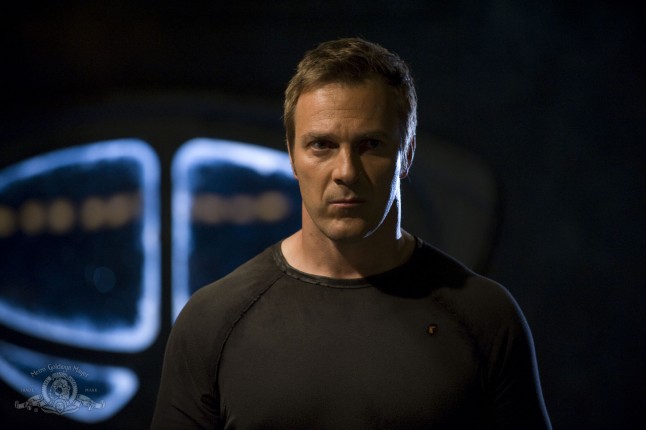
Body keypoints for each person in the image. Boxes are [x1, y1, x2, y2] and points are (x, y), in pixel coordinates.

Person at [151, 37, 552, 429]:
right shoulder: (213, 322)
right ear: (291, 154)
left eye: (370, 144)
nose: (346, 171)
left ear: (407, 154)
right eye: (322, 145)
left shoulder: (484, 318)